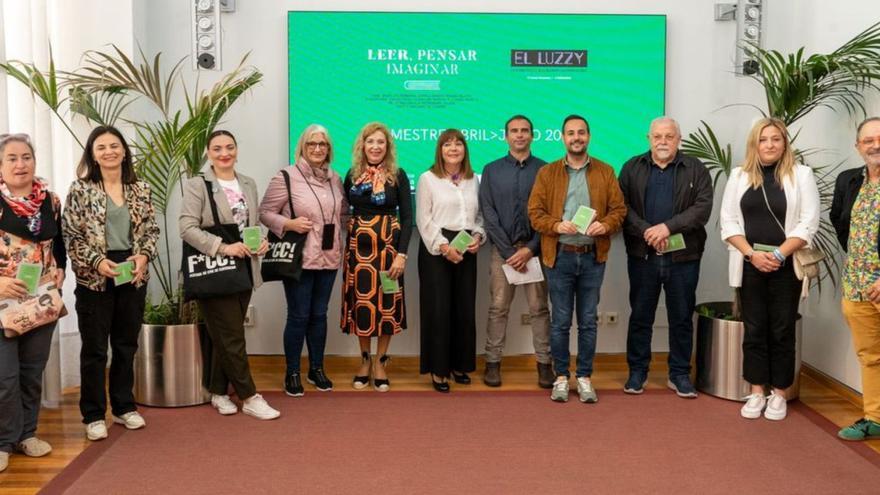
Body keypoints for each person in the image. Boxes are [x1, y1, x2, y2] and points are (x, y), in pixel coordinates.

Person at [62, 126, 160, 440]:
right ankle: (93, 414)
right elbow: (71, 236)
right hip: (95, 277)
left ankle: (123, 407)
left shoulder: (141, 188)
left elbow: (152, 233)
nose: (109, 151)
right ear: (92, 153)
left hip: (131, 272)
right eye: (101, 147)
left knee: (126, 345)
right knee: (94, 349)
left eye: (114, 145)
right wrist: (96, 261)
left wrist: (143, 257)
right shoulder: (80, 189)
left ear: (124, 151)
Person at [720, 117, 820, 421]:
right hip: (749, 265)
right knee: (754, 329)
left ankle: (778, 393)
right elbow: (728, 222)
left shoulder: (801, 175)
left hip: (786, 266)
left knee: (781, 329)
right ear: (754, 143)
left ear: (785, 143)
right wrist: (752, 255)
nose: (770, 145)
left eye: (776, 139)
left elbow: (808, 223)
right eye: (763, 139)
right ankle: (757, 391)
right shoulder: (739, 176)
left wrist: (777, 254)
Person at [179, 130, 279, 420]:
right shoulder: (198, 185)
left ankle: (218, 391)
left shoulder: (247, 183)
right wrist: (223, 247)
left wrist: (261, 241)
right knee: (233, 337)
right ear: (208, 153)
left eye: (230, 147)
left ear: (237, 150)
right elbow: (186, 228)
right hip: (216, 268)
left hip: (245, 269)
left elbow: (252, 224)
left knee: (222, 334)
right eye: (217, 148)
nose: (224, 153)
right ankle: (249, 396)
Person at [528, 115, 626, 403]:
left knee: (587, 321)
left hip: (593, 257)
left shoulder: (606, 172)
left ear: (589, 136)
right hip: (559, 257)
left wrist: (606, 225)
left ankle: (583, 377)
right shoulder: (547, 174)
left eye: (581, 133)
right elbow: (535, 213)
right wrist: (556, 225)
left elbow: (619, 210)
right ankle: (561, 377)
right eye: (571, 133)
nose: (576, 138)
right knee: (559, 322)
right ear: (562, 138)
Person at [618, 117, 713, 398]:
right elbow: (621, 207)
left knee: (681, 317)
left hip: (684, 257)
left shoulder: (695, 169)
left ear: (678, 139)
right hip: (643, 255)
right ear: (648, 138)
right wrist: (647, 231)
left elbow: (702, 208)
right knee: (641, 316)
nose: (663, 141)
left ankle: (680, 374)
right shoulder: (631, 167)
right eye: (657, 136)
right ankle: (637, 373)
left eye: (669, 136)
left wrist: (667, 227)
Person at [260, 124, 346, 397]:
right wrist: (289, 223)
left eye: (323, 144)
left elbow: (342, 216)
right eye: (312, 144)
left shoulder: (336, 178)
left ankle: (317, 369)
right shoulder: (287, 176)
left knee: (319, 315)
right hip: (300, 259)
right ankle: (293, 371)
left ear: (329, 149)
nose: (318, 149)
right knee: (298, 316)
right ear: (303, 147)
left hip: (329, 258)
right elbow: (265, 212)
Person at [0, 133, 66, 472]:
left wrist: (60, 273)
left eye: (26, 157)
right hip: (3, 303)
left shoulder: (50, 201)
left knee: (31, 372)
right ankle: (3, 441)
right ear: (0, 165)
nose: (20, 164)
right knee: (4, 377)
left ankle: (27, 433)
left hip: (40, 300)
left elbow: (60, 247)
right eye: (11, 158)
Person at [479, 115, 553, 388]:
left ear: (533, 135)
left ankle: (545, 365)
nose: (519, 135)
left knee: (539, 309)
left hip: (536, 251)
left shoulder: (546, 170)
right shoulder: (491, 170)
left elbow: (550, 213)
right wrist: (510, 251)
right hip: (503, 252)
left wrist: (530, 249)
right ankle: (493, 364)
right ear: (506, 136)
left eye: (524, 131)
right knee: (498, 308)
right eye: (514, 131)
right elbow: (488, 213)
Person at [341, 122, 412, 392]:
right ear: (363, 145)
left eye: (381, 142)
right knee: (361, 305)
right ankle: (364, 361)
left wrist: (401, 255)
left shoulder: (398, 176)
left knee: (386, 305)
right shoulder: (352, 174)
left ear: (388, 147)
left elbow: (407, 218)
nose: (375, 147)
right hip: (358, 254)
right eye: (370, 142)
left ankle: (381, 362)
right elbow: (343, 211)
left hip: (389, 253)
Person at [417, 129, 485, 393]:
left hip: (467, 247)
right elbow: (424, 220)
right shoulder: (427, 178)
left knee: (464, 309)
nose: (454, 148)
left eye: (458, 144)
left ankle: (460, 365)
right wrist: (444, 247)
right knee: (438, 310)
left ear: (465, 149)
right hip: (437, 249)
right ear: (440, 150)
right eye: (448, 144)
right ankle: (438, 369)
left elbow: (479, 217)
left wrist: (479, 236)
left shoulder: (473, 180)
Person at [831, 117, 880, 440]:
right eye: (868, 140)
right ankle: (874, 418)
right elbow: (839, 222)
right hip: (857, 286)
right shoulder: (849, 180)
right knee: (870, 355)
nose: (875, 145)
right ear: (858, 146)